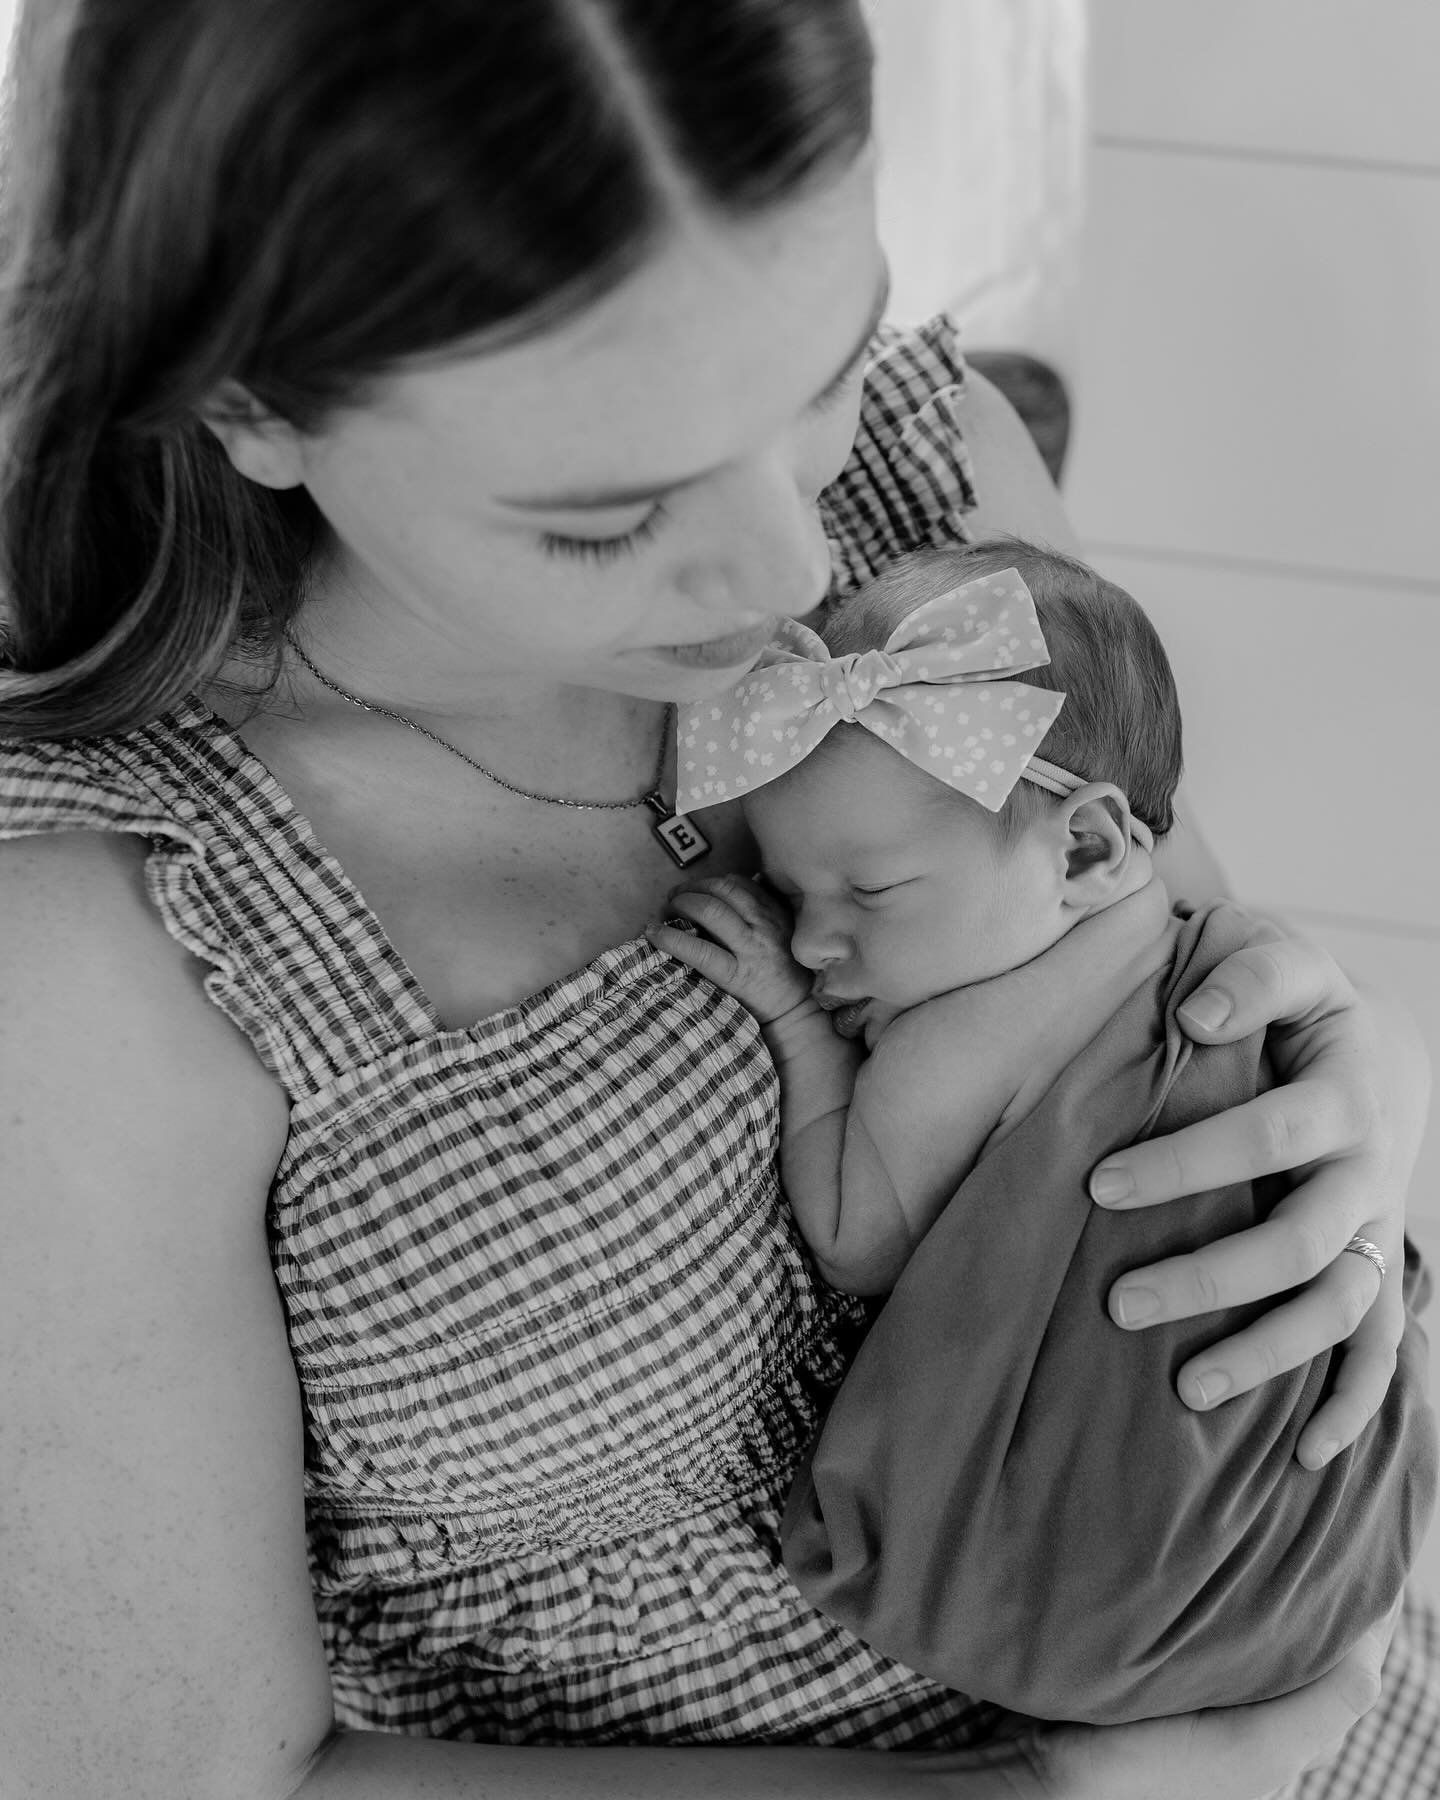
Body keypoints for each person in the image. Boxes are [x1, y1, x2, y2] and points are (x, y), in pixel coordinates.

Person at [0, 3, 1431, 1796]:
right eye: (606, 512)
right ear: (252, 404)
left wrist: (1350, 1098)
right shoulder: (94, 929)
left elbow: (1164, 977)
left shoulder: (934, 485)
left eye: (815, 375)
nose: (798, 568)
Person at [652, 537, 1439, 1724]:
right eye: (793, 893)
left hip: (1099, 1610)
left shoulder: (945, 1046)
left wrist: (793, 1032)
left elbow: (856, 1240)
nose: (813, 944)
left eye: (866, 894)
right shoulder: (1198, 947)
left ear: (1085, 846)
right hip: (1339, 1554)